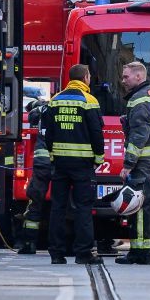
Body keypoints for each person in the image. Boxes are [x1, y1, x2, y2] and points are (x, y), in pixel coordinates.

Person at [42, 64, 106, 265]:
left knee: (58, 208)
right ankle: (83, 253)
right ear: (85, 77)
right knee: (83, 208)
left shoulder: (55, 100)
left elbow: (48, 132)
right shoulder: (89, 101)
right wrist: (99, 158)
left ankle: (56, 253)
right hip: (83, 164)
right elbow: (96, 133)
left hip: (60, 163)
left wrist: (53, 155)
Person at [115, 61, 150, 265]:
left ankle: (140, 253)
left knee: (139, 207)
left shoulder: (139, 99)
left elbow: (139, 135)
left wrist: (128, 164)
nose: (123, 80)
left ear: (138, 76)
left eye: (126, 76)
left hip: (142, 162)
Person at [16, 101, 53, 255]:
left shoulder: (42, 109)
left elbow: (31, 116)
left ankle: (29, 243)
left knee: (35, 203)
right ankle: (59, 246)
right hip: (61, 163)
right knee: (60, 205)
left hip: (41, 164)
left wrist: (38, 104)